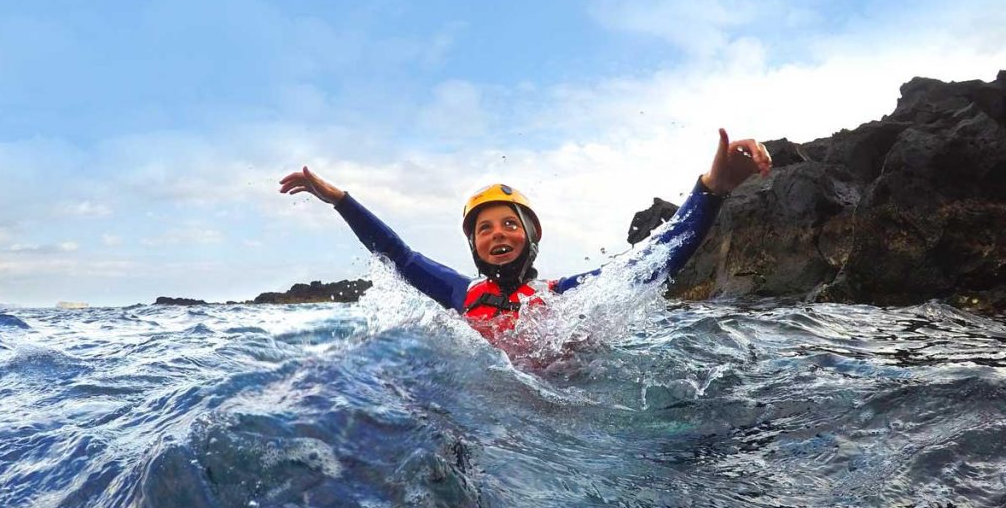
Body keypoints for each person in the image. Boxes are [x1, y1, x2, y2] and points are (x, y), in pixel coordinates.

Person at [279, 129, 770, 337]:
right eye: (485, 228)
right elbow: (399, 256)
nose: (498, 234)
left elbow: (655, 259)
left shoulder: (563, 297)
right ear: (472, 244)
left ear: (531, 238)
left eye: (510, 224)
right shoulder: (457, 291)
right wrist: (341, 201)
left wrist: (711, 190)